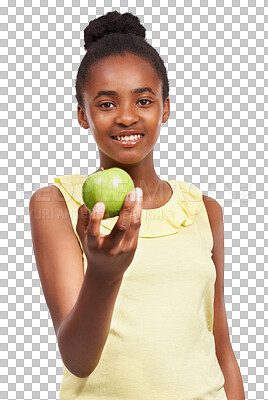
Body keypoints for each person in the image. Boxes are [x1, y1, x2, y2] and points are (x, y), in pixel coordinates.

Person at [29, 11, 245, 400]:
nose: (127, 116)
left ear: (164, 108)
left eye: (143, 100)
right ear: (83, 115)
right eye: (106, 104)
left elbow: (220, 344)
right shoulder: (59, 204)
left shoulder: (203, 209)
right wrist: (103, 274)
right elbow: (77, 358)